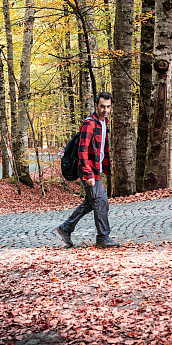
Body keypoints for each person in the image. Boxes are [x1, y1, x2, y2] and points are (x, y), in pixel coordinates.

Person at [56, 92, 120, 249]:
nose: (105, 110)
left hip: (95, 169)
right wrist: (88, 173)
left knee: (91, 203)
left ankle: (66, 227)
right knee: (101, 202)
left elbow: (102, 148)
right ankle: (103, 237)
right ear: (96, 106)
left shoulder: (103, 122)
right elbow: (82, 150)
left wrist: (104, 168)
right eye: (102, 107)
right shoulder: (89, 124)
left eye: (108, 107)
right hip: (88, 170)